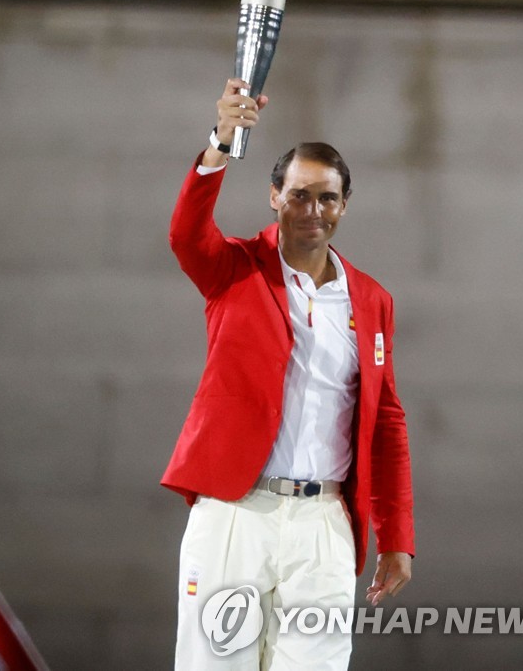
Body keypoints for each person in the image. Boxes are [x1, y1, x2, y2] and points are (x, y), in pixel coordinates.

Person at [162, 79, 414, 670]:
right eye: (299, 196)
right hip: (234, 513)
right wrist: (221, 141)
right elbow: (185, 234)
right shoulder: (234, 270)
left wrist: (396, 535)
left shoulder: (371, 300)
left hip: (325, 525)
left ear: (345, 205)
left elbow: (387, 425)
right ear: (274, 197)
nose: (313, 211)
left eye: (327, 198)